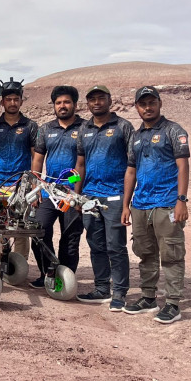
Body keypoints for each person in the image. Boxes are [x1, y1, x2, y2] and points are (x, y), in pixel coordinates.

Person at [121, 86, 190, 324]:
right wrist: (126, 205)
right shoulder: (136, 136)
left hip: (167, 204)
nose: (147, 108)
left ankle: (173, 304)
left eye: (152, 103)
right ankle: (148, 298)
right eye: (143, 104)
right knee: (145, 253)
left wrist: (181, 201)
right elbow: (131, 171)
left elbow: (183, 166)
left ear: (160, 103)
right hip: (141, 204)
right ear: (137, 107)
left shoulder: (174, 130)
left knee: (171, 255)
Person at [74, 85, 135, 311]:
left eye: (101, 98)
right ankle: (101, 289)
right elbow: (80, 165)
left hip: (115, 195)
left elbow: (132, 164)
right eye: (92, 99)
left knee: (115, 246)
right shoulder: (84, 128)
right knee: (95, 244)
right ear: (88, 103)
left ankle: (119, 292)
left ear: (110, 101)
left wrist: (126, 202)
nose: (97, 103)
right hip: (90, 195)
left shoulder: (123, 127)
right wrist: (76, 194)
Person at [29, 86, 86, 288]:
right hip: (49, 191)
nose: (63, 106)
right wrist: (36, 187)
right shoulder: (46, 129)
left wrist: (77, 193)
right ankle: (47, 273)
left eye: (67, 102)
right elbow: (37, 160)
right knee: (38, 230)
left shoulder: (85, 128)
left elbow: (84, 163)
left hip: (73, 192)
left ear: (75, 105)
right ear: (54, 105)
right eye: (58, 102)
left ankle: (63, 279)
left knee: (70, 238)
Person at [0, 78, 38, 257]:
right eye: (9, 99)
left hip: (21, 185)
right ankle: (3, 258)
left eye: (16, 99)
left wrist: (34, 184)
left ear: (21, 101)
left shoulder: (30, 126)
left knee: (20, 226)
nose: (12, 103)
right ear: (3, 102)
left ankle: (20, 263)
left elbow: (36, 157)